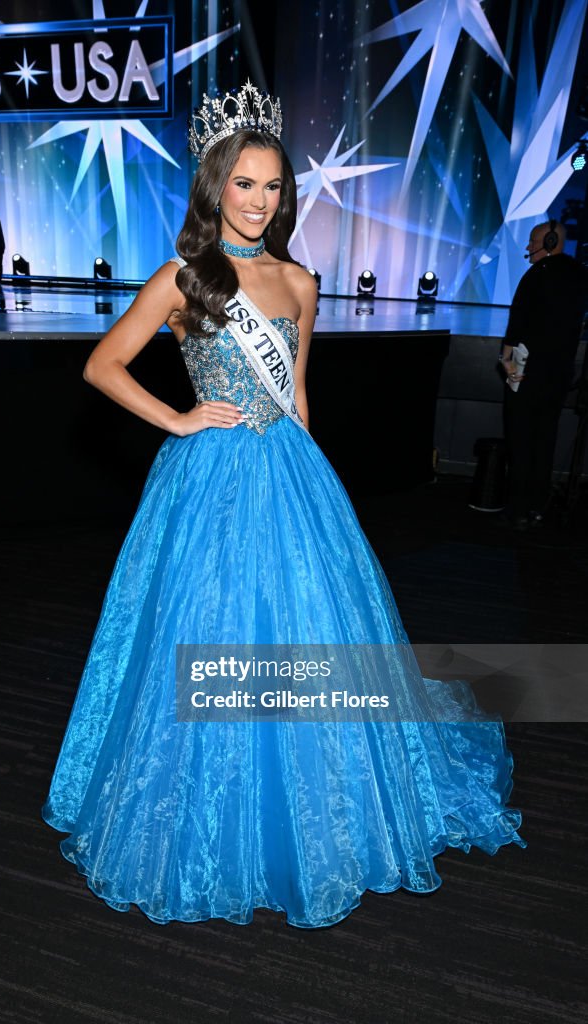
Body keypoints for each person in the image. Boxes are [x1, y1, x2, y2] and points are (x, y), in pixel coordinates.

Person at [42, 82, 525, 928]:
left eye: (272, 187)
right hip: (208, 481)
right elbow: (103, 366)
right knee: (202, 634)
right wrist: (181, 419)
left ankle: (321, 810)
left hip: (291, 479)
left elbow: (298, 394)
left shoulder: (301, 282)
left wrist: (319, 493)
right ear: (215, 188)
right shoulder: (185, 277)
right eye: (244, 185)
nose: (259, 202)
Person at [501, 219, 588, 529]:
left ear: (549, 242)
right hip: (558, 376)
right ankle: (538, 506)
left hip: (527, 375)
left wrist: (508, 365)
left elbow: (516, 325)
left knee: (521, 441)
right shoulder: (579, 275)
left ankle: (518, 509)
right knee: (545, 441)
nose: (528, 247)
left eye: (533, 241)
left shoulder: (535, 275)